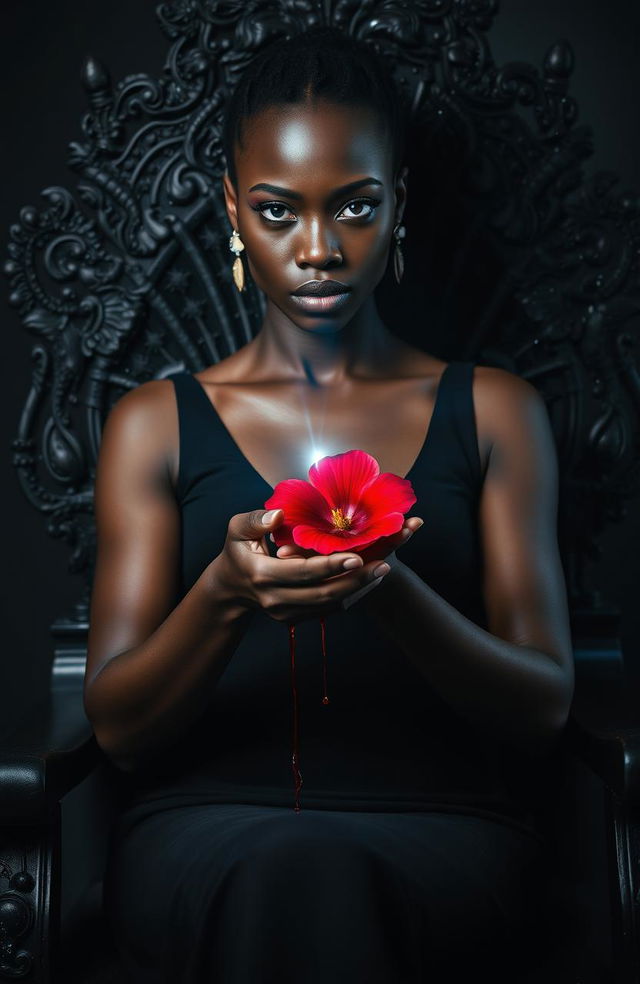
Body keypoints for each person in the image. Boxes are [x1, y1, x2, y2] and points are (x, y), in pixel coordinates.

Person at [86, 25, 577, 984]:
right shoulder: (155, 424)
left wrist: (390, 592)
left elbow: (543, 709)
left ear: (400, 207)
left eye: (354, 207)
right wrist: (225, 597)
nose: (318, 249)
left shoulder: (494, 412)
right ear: (233, 208)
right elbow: (119, 726)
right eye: (277, 212)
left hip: (443, 832)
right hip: (204, 834)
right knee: (291, 871)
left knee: (320, 875)